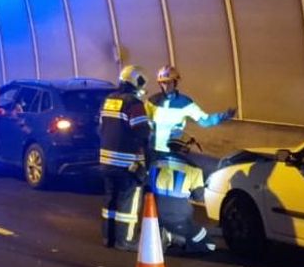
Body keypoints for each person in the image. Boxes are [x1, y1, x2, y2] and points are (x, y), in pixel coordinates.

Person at [98, 65, 152, 251]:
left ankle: (108, 238)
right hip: (127, 163)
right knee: (128, 204)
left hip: (106, 161)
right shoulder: (133, 104)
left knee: (110, 201)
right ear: (135, 81)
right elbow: (142, 131)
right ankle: (126, 241)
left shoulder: (108, 100)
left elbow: (101, 128)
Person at [150, 128, 216, 254]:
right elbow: (199, 197)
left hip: (154, 216)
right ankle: (173, 237)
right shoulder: (193, 169)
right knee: (209, 245)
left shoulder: (155, 163)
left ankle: (164, 234)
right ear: (185, 148)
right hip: (180, 219)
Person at [147, 65, 234, 155]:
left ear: (175, 82)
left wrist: (222, 117)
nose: (166, 86)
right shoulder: (152, 101)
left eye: (169, 82)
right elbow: (142, 122)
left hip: (174, 152)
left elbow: (204, 121)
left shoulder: (185, 102)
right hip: (153, 151)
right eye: (163, 83)